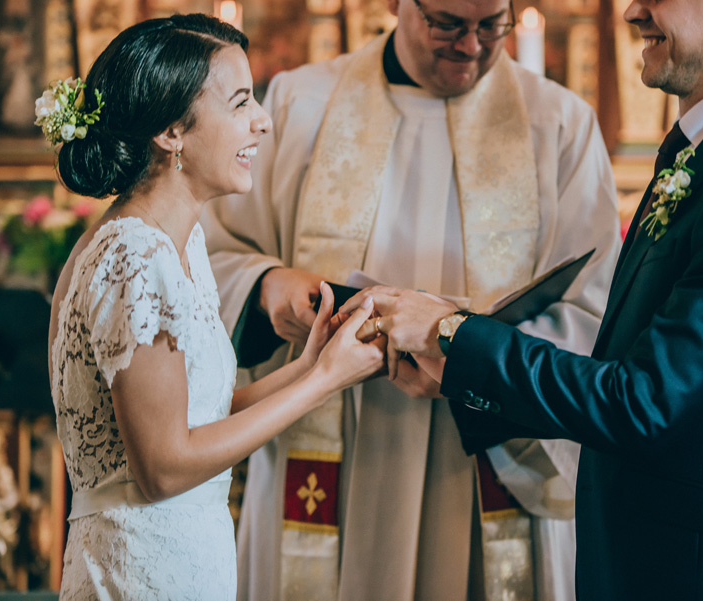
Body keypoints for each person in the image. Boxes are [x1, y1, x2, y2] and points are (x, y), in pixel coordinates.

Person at [342, 0, 703, 598]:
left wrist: (453, 334)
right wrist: (457, 377)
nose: (633, 11)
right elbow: (623, 362)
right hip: (655, 558)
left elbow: (646, 401)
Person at [200, 0, 621, 598]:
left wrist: (471, 361)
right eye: (447, 24)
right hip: (332, 456)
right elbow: (207, 259)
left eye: (492, 24)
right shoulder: (298, 105)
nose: (471, 46)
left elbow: (594, 315)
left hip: (482, 453)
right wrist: (270, 287)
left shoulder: (559, 124)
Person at [46, 14, 384, 600]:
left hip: (189, 557)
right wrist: (323, 382)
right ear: (173, 131)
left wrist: (307, 366)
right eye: (240, 102)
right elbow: (164, 467)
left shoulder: (180, 242)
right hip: (137, 566)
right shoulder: (133, 255)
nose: (263, 120)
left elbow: (195, 415)